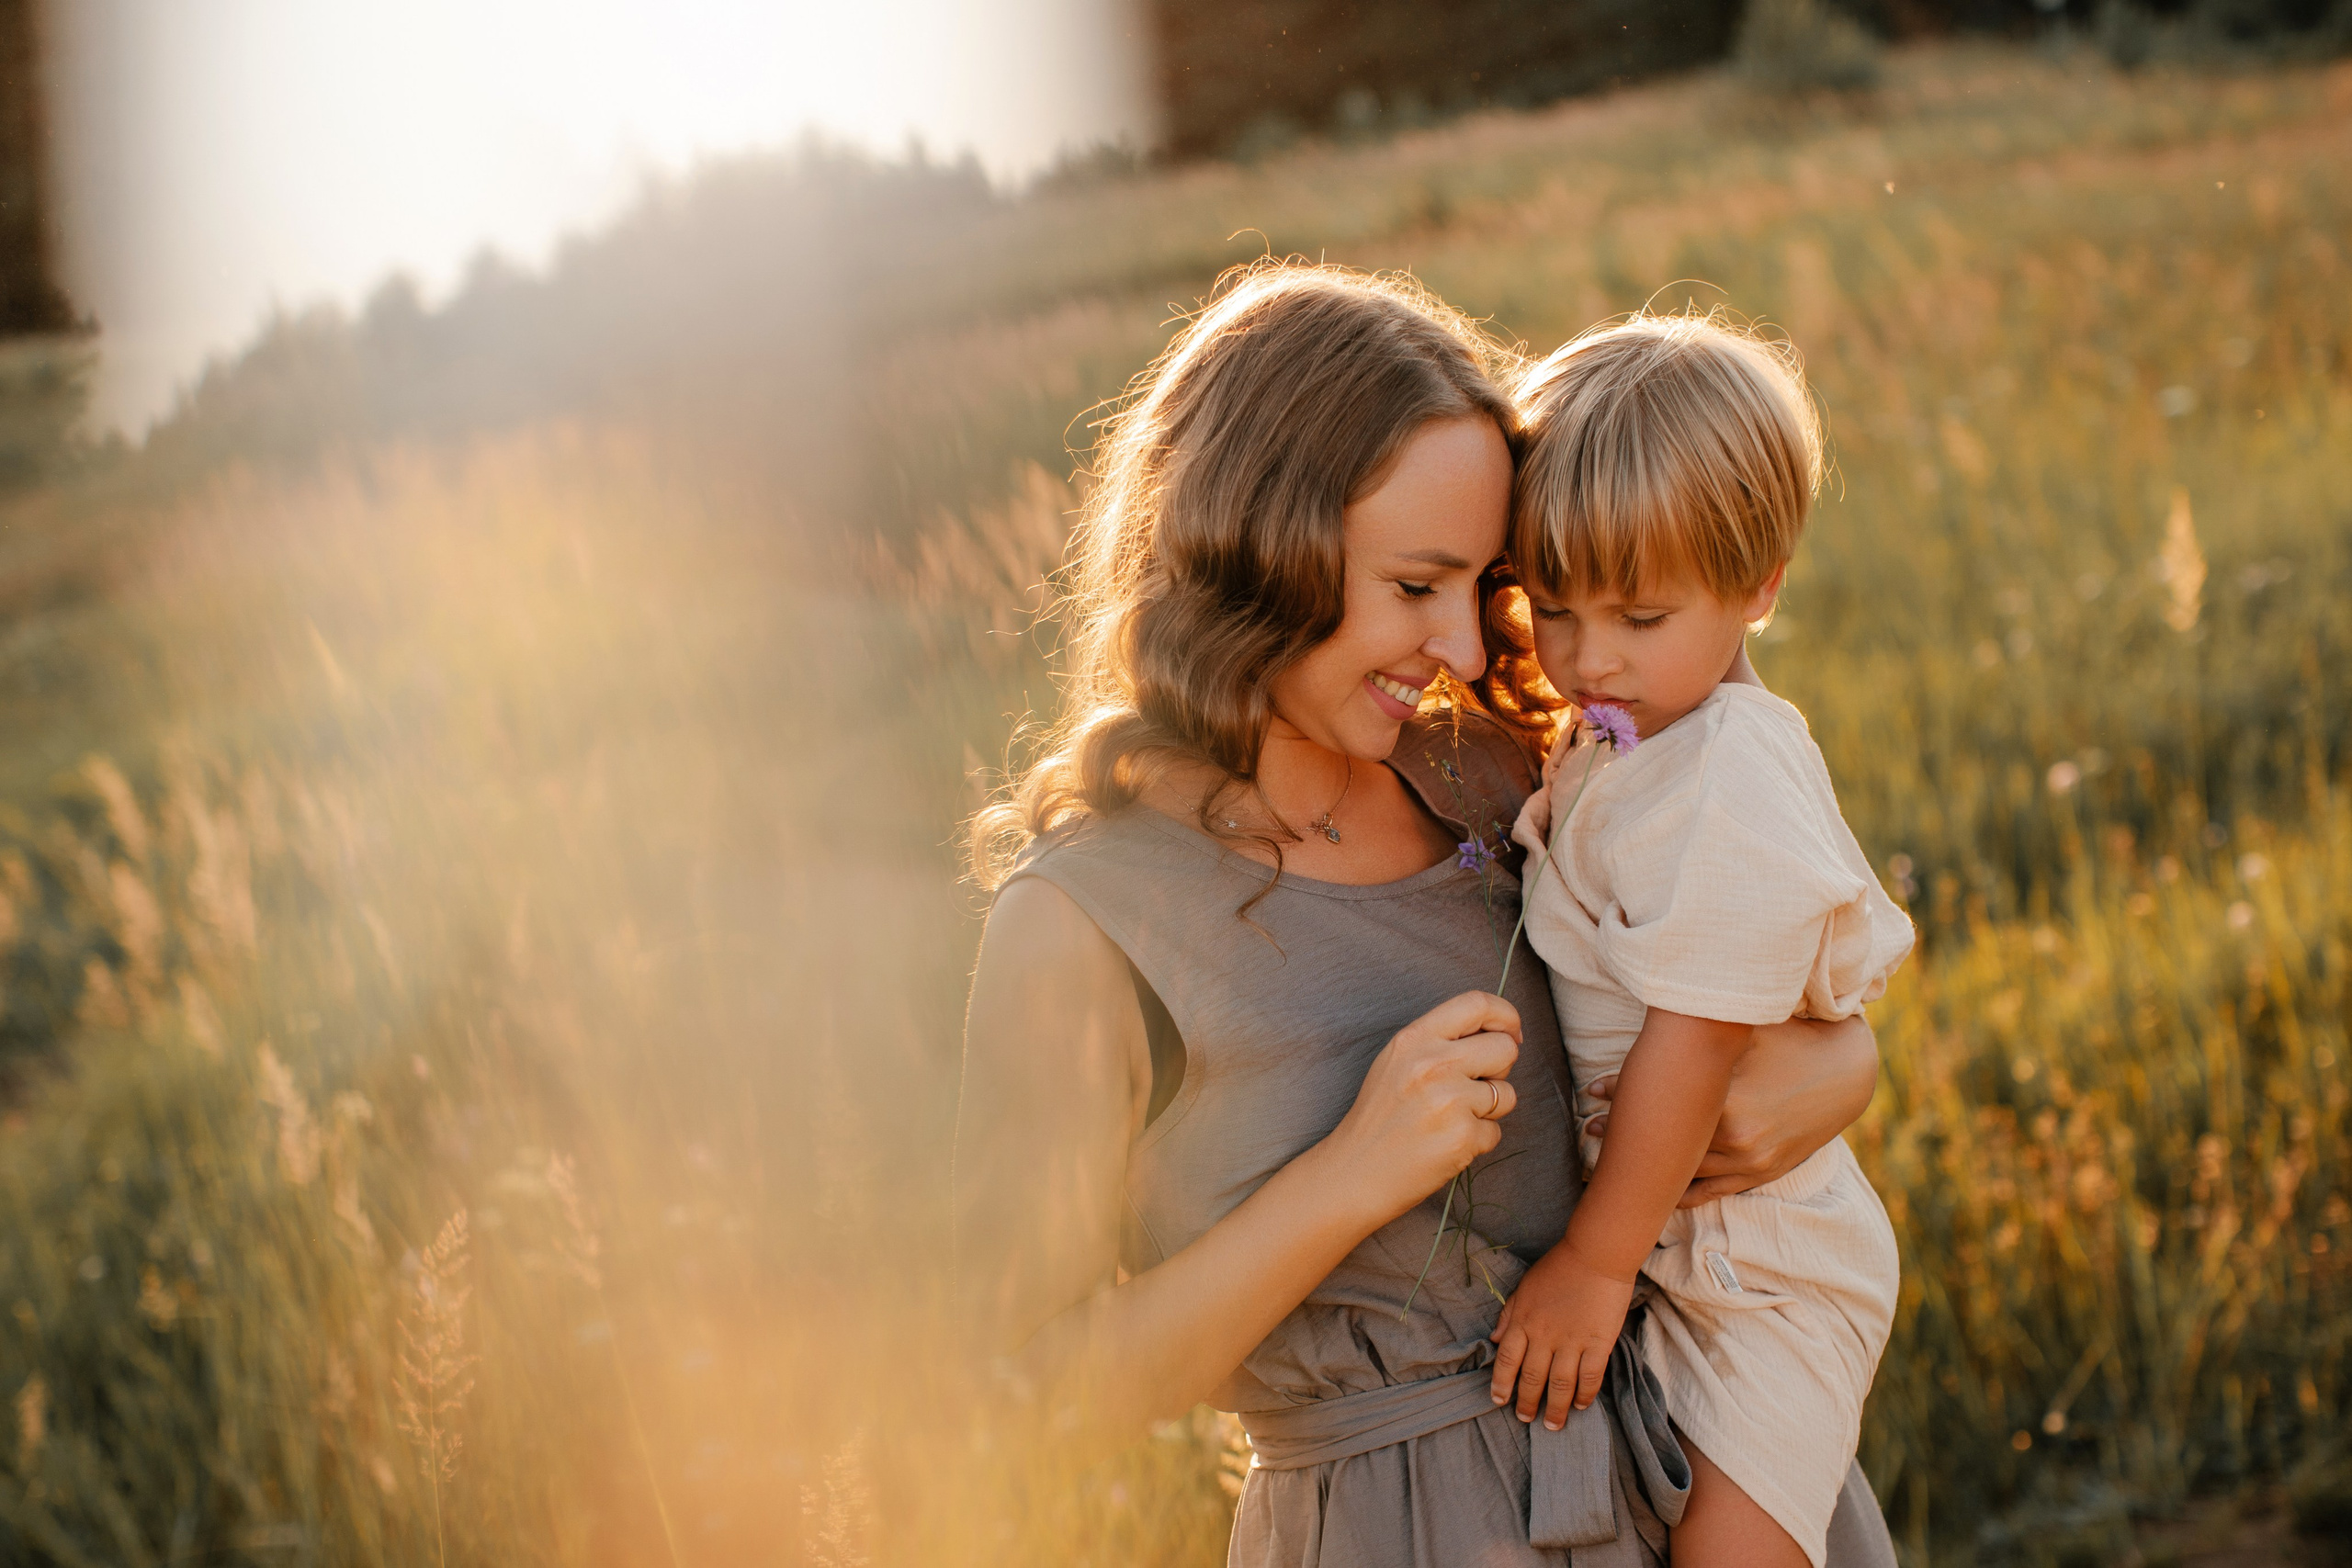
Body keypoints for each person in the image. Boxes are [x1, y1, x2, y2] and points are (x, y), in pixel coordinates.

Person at [954, 262, 1898, 1565]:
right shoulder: (1082, 928)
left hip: (1701, 1467)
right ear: (1258, 551)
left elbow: (1735, 952)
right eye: (1414, 586)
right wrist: (1344, 1179)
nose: (1463, 649)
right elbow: (1020, 1405)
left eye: (1485, 585)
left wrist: (1844, 1066)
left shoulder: (1494, 774)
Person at [1488, 311, 1914, 1568]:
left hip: (1760, 1267)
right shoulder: (1635, 729)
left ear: (1760, 588)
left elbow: (1703, 1031)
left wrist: (1595, 1261)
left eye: (1639, 616)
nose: (1587, 659)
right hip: (1673, 1236)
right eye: (1551, 608)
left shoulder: (1731, 768)